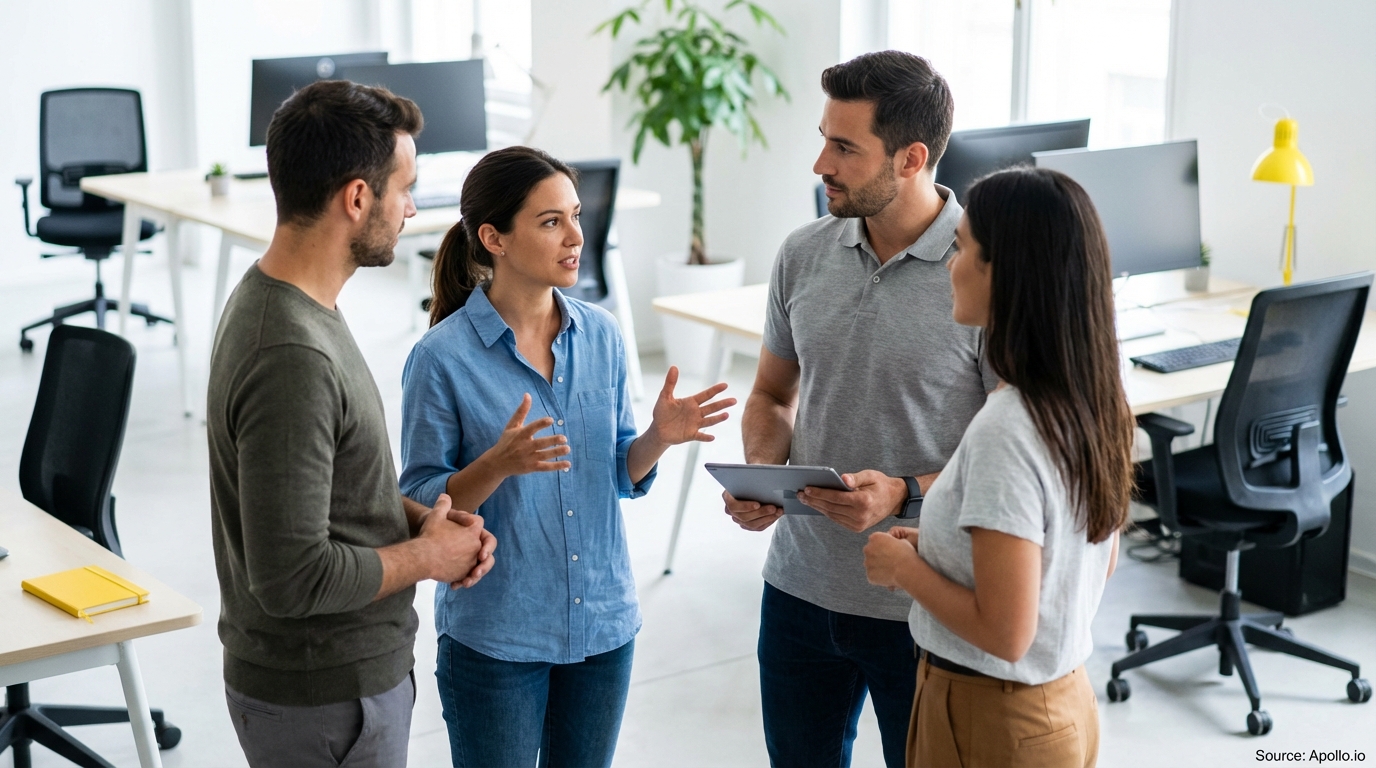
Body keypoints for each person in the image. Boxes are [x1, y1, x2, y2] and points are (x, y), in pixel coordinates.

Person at [399, 145, 735, 768]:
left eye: (576, 215)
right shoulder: (441, 359)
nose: (577, 235)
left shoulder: (603, 334)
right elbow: (419, 501)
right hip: (498, 638)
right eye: (551, 221)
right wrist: (495, 465)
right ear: (494, 238)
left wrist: (657, 437)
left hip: (604, 626)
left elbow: (615, 473)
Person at [207, 80, 497, 768]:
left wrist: (421, 522)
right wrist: (428, 558)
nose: (412, 206)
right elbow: (292, 577)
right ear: (357, 197)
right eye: (405, 186)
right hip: (323, 695)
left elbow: (329, 494)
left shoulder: (290, 303)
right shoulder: (290, 352)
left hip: (336, 686)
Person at [723, 51, 996, 766]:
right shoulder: (802, 254)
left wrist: (907, 492)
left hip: (926, 603)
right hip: (798, 592)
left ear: (910, 158)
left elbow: (1016, 455)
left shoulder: (987, 272)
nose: (821, 162)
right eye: (824, 138)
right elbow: (773, 395)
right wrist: (762, 474)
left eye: (844, 147)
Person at [863, 166, 1134, 767]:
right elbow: (1092, 557)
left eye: (965, 249)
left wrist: (905, 569)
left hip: (991, 717)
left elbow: (1007, 634)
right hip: (1064, 704)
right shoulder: (1094, 397)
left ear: (1006, 274)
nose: (952, 267)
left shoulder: (1006, 428)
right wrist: (942, 550)